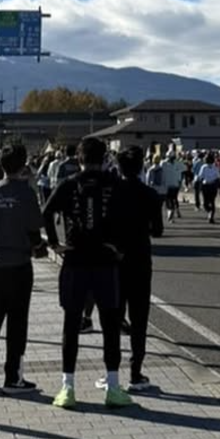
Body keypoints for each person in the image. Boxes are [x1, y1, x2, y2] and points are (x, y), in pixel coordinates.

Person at [41, 138, 135, 409]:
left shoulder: (69, 184)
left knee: (71, 325)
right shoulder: (114, 183)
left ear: (78, 159)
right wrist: (120, 247)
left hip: (74, 259)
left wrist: (54, 243)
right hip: (106, 261)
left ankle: (67, 388)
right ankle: (113, 387)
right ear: (104, 158)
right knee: (110, 325)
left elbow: (46, 212)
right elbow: (130, 219)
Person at [0, 145, 45, 396]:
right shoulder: (25, 193)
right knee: (17, 323)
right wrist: (38, 247)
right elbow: (33, 231)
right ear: (23, 165)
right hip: (19, 264)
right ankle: (13, 378)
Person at [97, 146, 165, 392]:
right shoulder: (150, 194)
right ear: (141, 167)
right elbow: (157, 231)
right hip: (140, 259)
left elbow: (103, 227)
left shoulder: (111, 192)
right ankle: (136, 373)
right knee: (139, 318)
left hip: (115, 261)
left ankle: (111, 373)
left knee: (113, 318)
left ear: (119, 166)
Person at [197, 153, 220, 224]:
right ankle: (210, 211)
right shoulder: (204, 167)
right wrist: (199, 187)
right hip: (206, 186)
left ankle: (211, 216)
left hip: (212, 186)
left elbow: (219, 178)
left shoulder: (215, 168)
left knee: (211, 201)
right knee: (206, 203)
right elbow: (200, 178)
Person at [163, 152, 184, 223]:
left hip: (171, 185)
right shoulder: (165, 163)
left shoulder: (164, 163)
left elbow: (183, 169)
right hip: (172, 185)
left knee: (169, 200)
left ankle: (171, 213)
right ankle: (172, 212)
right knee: (172, 199)